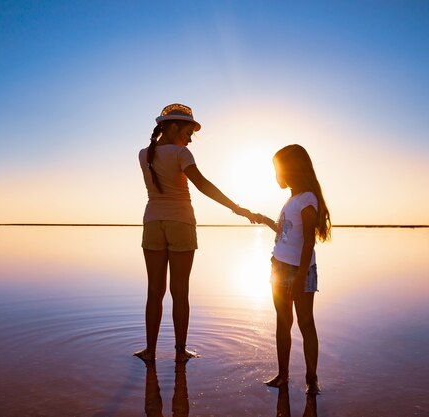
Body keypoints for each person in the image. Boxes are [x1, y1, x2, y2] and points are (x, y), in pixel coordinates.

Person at [134, 103, 257, 363]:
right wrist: (236, 208)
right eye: (189, 132)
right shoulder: (181, 155)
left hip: (153, 222)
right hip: (181, 224)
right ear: (175, 127)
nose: (190, 139)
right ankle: (180, 350)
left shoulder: (144, 154)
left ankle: (150, 351)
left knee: (154, 291)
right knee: (180, 291)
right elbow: (202, 185)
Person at [256, 144, 331, 395]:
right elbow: (286, 235)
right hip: (278, 268)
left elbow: (309, 241)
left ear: (292, 170)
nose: (276, 176)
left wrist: (299, 278)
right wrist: (266, 221)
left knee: (306, 323)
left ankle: (311, 379)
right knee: (282, 322)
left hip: (299, 271)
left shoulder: (307, 198)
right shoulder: (291, 199)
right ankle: (283, 375)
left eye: (278, 170)